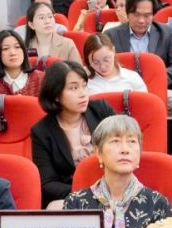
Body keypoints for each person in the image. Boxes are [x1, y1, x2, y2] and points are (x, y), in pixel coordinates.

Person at [63, 115, 172, 228]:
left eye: (132, 141)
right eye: (115, 141)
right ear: (98, 152)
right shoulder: (75, 203)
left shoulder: (158, 204)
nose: (125, 150)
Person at [31, 61, 116, 207]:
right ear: (56, 95)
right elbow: (48, 184)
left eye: (84, 86)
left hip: (114, 188)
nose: (83, 93)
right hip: (73, 196)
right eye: (73, 88)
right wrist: (88, 194)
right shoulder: (42, 131)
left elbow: (125, 146)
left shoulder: (101, 110)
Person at [104, 0, 172, 110]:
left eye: (147, 16)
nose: (141, 20)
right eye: (136, 15)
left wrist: (154, 78)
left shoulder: (167, 33)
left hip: (154, 89)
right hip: (121, 88)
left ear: (153, 15)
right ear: (127, 13)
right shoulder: (111, 35)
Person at [0, 30, 44, 97]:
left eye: (17, 47)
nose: (13, 53)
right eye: (5, 49)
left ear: (24, 51)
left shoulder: (40, 78)